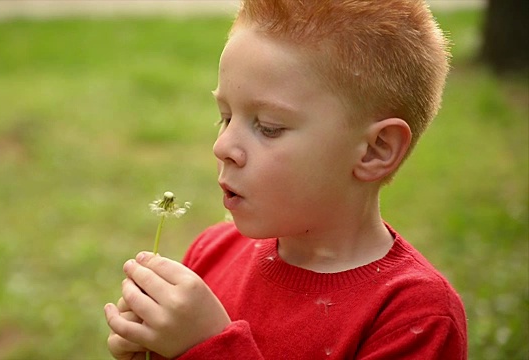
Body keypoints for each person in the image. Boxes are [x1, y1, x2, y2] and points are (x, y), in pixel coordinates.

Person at [104, 0, 468, 358]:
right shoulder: (212, 253)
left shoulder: (413, 315)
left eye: (268, 127)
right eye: (225, 117)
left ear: (374, 150)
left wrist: (210, 347)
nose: (223, 146)